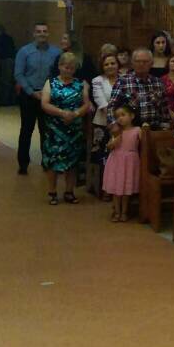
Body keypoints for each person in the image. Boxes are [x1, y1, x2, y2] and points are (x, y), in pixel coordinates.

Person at [40, 51, 91, 205]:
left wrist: (75, 114)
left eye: (71, 68)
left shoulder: (81, 84)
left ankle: (69, 191)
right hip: (54, 128)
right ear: (59, 66)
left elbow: (86, 104)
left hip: (74, 129)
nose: (68, 70)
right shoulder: (50, 82)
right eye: (65, 67)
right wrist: (62, 113)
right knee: (52, 160)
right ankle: (52, 192)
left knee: (73, 161)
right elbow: (45, 103)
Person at [14, 22, 57, 174]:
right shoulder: (24, 52)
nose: (42, 34)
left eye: (44, 31)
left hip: (47, 97)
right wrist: (31, 92)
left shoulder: (56, 53)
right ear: (34, 34)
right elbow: (19, 74)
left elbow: (57, 75)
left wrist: (47, 92)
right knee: (26, 130)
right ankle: (23, 164)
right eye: (39, 31)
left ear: (48, 33)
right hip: (28, 96)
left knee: (46, 131)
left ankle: (46, 162)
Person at [109, 49, 170, 128]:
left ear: (151, 63)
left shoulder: (158, 83)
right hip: (129, 129)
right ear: (132, 63)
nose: (141, 64)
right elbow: (112, 106)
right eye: (138, 61)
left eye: (145, 61)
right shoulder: (122, 82)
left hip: (155, 129)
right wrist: (113, 124)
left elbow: (164, 108)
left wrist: (166, 126)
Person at [102, 102, 141, 223]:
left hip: (130, 161)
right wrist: (114, 141)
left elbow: (145, 142)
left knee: (126, 189)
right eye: (117, 116)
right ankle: (117, 211)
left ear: (132, 116)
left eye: (123, 115)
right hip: (117, 161)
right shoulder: (117, 131)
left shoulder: (137, 130)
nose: (120, 118)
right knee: (117, 188)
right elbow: (109, 146)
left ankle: (124, 212)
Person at [91, 51, 120, 191]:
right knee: (103, 156)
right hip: (103, 123)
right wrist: (114, 121)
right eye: (106, 64)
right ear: (102, 67)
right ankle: (104, 188)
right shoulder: (97, 81)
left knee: (120, 157)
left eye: (113, 63)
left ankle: (118, 186)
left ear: (118, 64)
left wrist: (122, 120)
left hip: (123, 124)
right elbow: (101, 102)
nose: (110, 66)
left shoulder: (125, 79)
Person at [0, 24, 17, 105]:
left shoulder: (0, 38)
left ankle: (5, 101)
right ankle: (11, 100)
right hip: (12, 60)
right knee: (10, 81)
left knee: (5, 81)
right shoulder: (9, 38)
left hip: (6, 60)